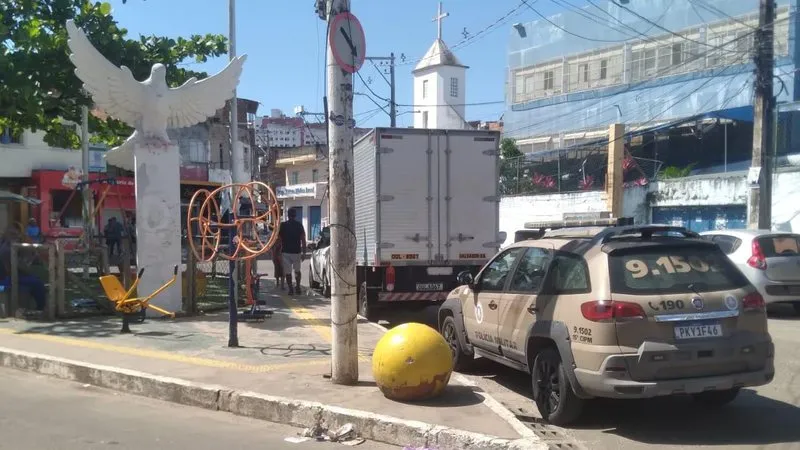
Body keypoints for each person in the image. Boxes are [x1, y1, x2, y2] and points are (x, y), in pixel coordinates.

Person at [0, 228, 46, 313]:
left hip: (8, 276)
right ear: (8, 236)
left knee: (33, 280)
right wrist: (32, 258)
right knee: (37, 282)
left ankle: (38, 307)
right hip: (6, 279)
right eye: (14, 235)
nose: (18, 237)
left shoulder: (5, 246)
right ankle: (41, 308)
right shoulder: (8, 249)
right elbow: (24, 269)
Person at [279, 209, 306, 295]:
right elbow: (303, 240)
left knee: (288, 272)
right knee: (297, 270)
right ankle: (297, 287)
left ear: (288, 215)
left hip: (286, 252)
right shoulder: (299, 225)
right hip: (296, 252)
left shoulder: (283, 225)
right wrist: (304, 252)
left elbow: (279, 240)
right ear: (295, 215)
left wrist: (278, 251)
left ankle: (291, 289)